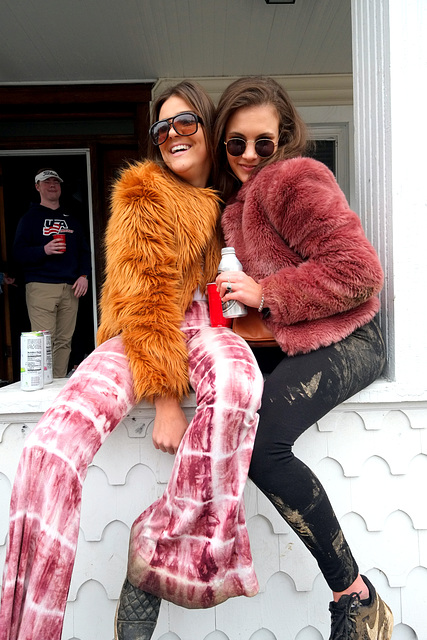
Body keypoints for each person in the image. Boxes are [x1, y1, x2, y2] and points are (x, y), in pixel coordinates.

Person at [0, 81, 263, 640]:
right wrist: (166, 399)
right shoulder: (143, 193)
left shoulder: (237, 196)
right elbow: (143, 302)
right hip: (140, 333)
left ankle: (161, 546)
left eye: (185, 122)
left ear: (210, 129)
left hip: (212, 322)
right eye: (161, 128)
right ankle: (25, 628)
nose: (172, 136)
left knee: (240, 383)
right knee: (47, 451)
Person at [212, 76, 393, 640]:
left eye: (262, 143)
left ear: (283, 139)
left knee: (265, 449)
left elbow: (359, 271)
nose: (247, 155)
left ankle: (355, 593)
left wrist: (268, 294)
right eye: (235, 143)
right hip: (300, 341)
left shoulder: (294, 178)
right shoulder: (236, 207)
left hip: (351, 338)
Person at [13, 169, 91, 377]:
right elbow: (18, 253)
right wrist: (43, 250)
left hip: (71, 287)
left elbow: (84, 251)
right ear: (37, 187)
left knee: (65, 341)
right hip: (41, 285)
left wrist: (84, 276)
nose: (52, 185)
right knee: (43, 339)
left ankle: (55, 384)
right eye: (46, 181)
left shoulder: (71, 219)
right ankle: (42, 384)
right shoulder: (29, 219)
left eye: (56, 181)